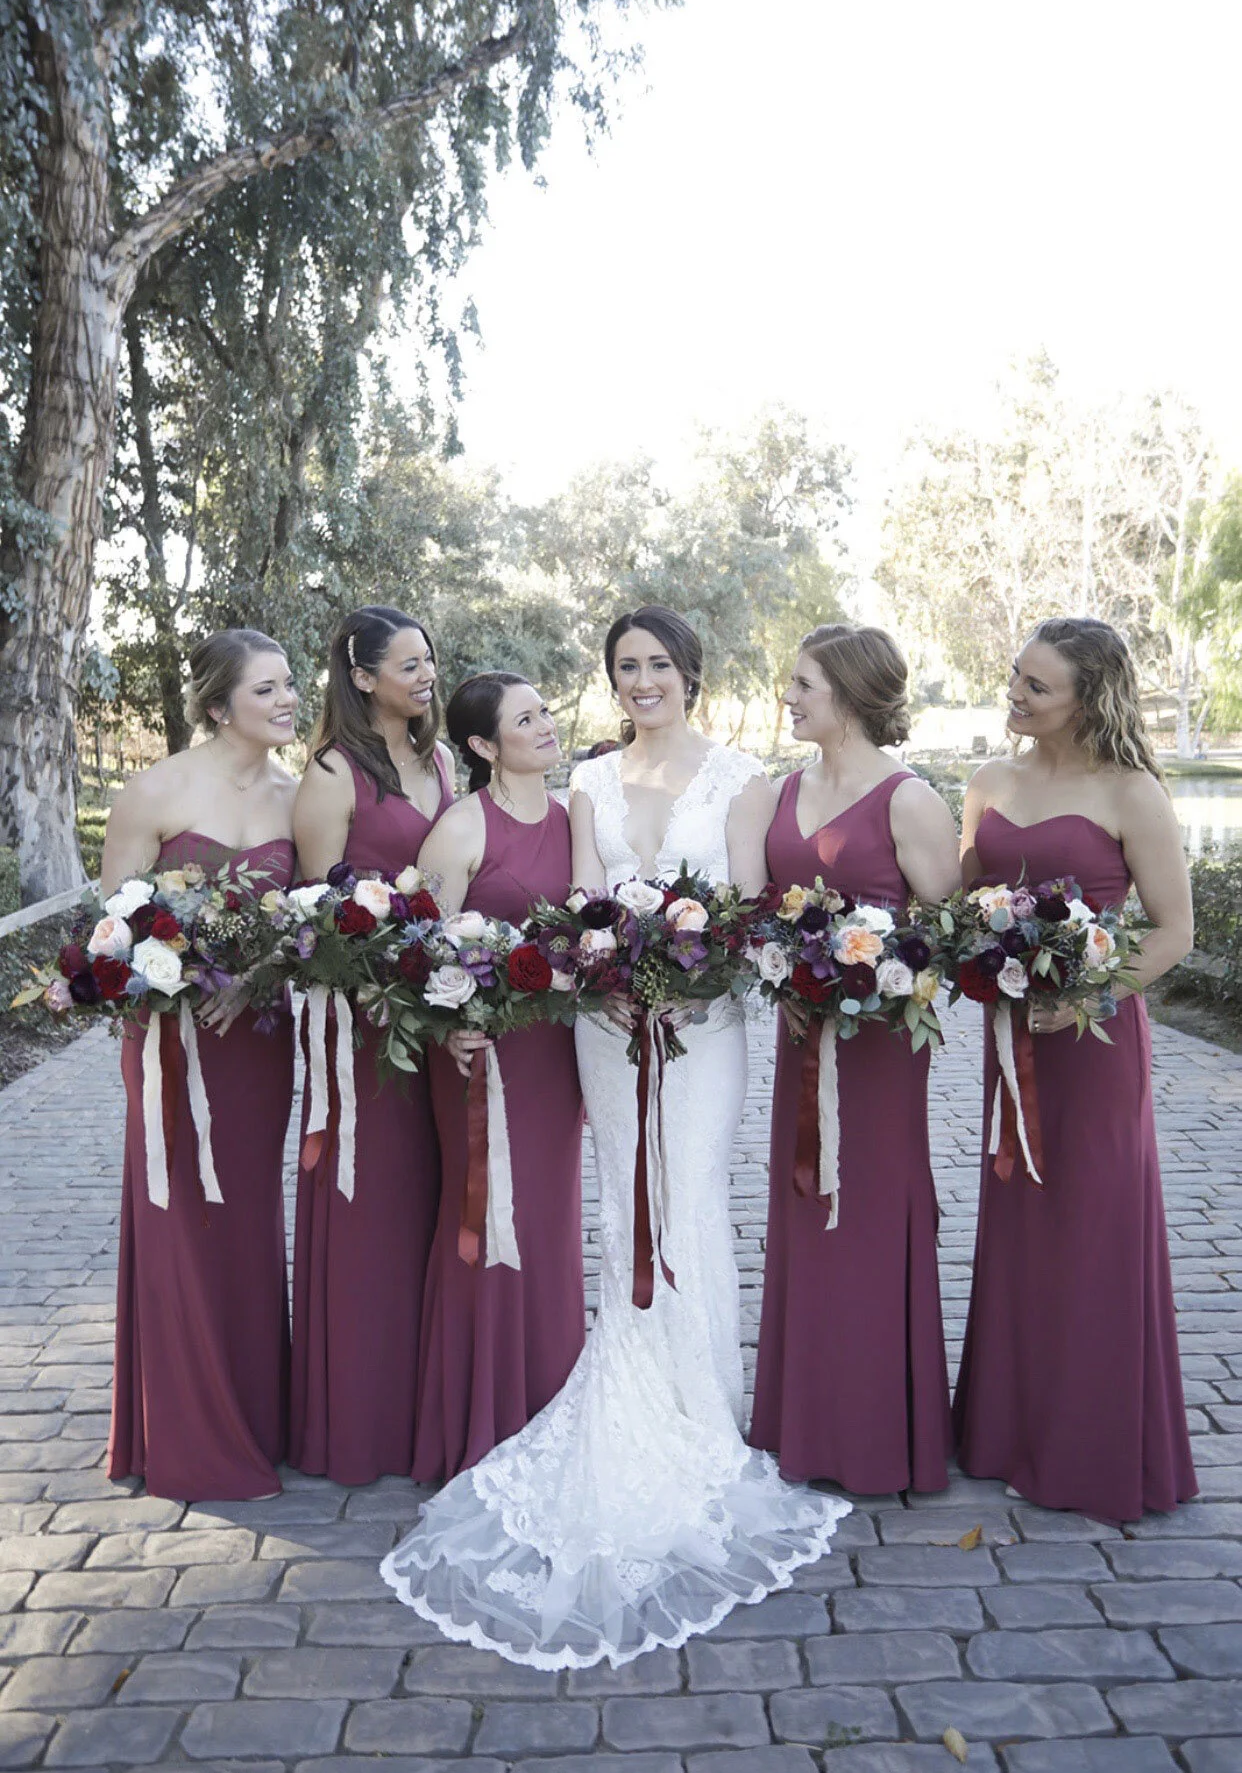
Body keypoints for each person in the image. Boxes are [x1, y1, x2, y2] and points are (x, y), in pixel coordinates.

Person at [381, 605, 848, 1668]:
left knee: (689, 1198)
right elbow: (582, 905)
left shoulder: (744, 779)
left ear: (690, 672)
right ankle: (627, 1378)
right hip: (604, 1023)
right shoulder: (588, 780)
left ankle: (702, 1411)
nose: (643, 680)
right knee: (617, 1199)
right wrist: (611, 976)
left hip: (705, 1026)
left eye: (659, 663)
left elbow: (749, 907)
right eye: (626, 665)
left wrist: (697, 978)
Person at [953, 616, 1198, 1525]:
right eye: (1016, 674)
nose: (1015, 693)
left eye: (1037, 685)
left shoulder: (1132, 792)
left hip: (1093, 1046)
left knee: (1092, 1229)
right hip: (1013, 1037)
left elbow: (1175, 931)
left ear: (1087, 700)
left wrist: (1090, 995)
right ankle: (1006, 1431)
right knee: (1021, 1219)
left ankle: (1089, 1444)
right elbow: (962, 904)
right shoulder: (988, 781)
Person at [749, 624, 960, 1493]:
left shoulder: (909, 800)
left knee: (870, 1208)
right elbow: (764, 909)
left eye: (804, 684)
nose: (789, 698)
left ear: (852, 692)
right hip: (801, 1030)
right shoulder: (782, 789)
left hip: (879, 1047)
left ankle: (878, 1428)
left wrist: (869, 970)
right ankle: (806, 1418)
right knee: (805, 1202)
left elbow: (948, 929)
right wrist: (787, 968)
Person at [106, 629, 298, 1501]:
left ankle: (255, 1414)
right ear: (220, 706)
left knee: (247, 1220)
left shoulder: (297, 797)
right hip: (171, 1043)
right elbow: (112, 931)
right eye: (267, 689)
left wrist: (256, 976)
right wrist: (174, 982)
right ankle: (187, 1428)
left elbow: (308, 926)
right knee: (178, 1215)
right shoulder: (153, 790)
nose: (287, 700)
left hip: (256, 1040)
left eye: (289, 684)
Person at [289, 605, 454, 1484]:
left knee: (432, 1197)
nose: (426, 676)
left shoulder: (441, 760)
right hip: (364, 1021)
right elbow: (314, 913)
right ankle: (360, 1417)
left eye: (429, 661)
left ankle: (427, 1406)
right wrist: (377, 984)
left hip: (442, 1011)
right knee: (371, 1204)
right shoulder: (329, 773)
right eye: (407, 664)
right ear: (361, 677)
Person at [412, 672, 585, 1481]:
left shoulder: (573, 818)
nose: (546, 725)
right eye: (526, 719)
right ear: (483, 745)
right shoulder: (460, 828)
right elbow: (417, 949)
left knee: (549, 1218)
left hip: (555, 1052)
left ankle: (550, 1400)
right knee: (483, 1212)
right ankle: (479, 1415)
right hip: (479, 1052)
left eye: (545, 711)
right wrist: (448, 1024)